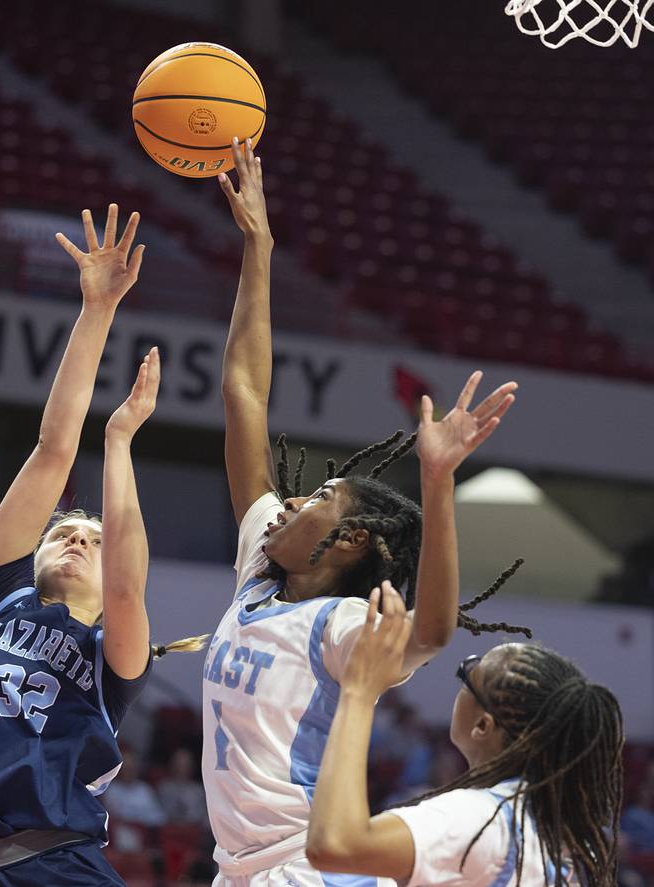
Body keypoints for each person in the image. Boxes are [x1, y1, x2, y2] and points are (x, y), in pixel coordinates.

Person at [203, 136, 525, 885]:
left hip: (308, 868)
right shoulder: (259, 568)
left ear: (350, 539)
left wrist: (437, 482)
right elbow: (244, 394)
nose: (284, 500)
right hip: (241, 870)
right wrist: (259, 246)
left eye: (314, 496)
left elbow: (437, 630)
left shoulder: (344, 630)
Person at [0, 205, 202, 886]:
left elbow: (131, 586)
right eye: (66, 532)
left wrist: (121, 441)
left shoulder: (115, 659)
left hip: (55, 865)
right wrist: (97, 310)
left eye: (94, 539)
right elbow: (50, 453)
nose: (76, 537)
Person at [307, 584, 623, 887]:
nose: (464, 670)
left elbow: (337, 846)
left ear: (482, 726)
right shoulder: (565, 835)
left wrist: (359, 690)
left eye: (469, 672)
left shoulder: (481, 820)